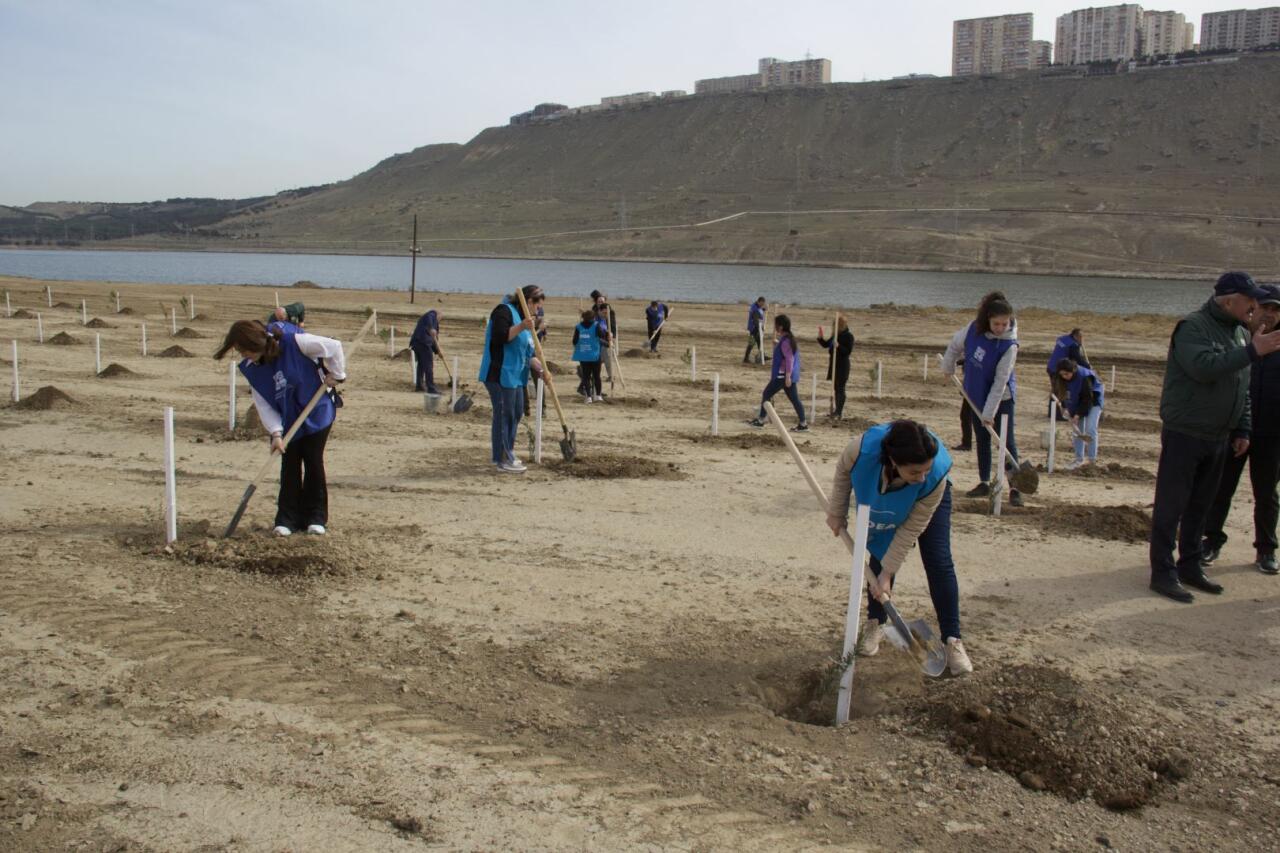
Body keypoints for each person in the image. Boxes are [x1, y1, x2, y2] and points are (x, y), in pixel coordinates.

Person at [1149, 272, 1280, 602]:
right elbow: (1203, 367)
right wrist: (1252, 351)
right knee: (1172, 506)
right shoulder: (1193, 327)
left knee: (1200, 506)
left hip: (1220, 436)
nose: (1255, 306)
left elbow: (1242, 388)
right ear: (1229, 300)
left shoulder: (1239, 332)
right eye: (1251, 300)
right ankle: (1162, 573)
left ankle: (1190, 566)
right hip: (1186, 433)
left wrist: (1242, 428)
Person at [825, 419, 972, 676]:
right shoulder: (861, 450)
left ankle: (952, 640)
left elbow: (911, 529)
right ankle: (875, 623)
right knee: (880, 551)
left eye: (925, 470)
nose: (921, 476)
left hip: (928, 502)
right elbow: (843, 471)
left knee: (938, 559)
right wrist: (837, 511)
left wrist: (888, 573)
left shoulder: (933, 477)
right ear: (893, 461)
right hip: (884, 490)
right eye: (915, 472)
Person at [214, 319, 345, 536]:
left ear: (257, 343)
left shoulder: (295, 342)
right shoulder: (251, 369)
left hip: (318, 410)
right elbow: (264, 404)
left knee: (312, 460)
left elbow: (334, 347)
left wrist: (337, 375)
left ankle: (316, 517)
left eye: (244, 350)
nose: (243, 355)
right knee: (289, 462)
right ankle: (286, 519)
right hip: (288, 421)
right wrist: (276, 433)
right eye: (239, 351)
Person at [1201, 284, 1280, 576]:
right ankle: (1211, 541)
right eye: (1265, 307)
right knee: (1221, 488)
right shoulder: (1234, 337)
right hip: (1234, 429)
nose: (1270, 314)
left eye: (1276, 310)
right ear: (1253, 307)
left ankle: (1266, 549)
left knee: (1266, 492)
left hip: (1272, 433)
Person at [942, 291, 1024, 507]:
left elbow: (1001, 381)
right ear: (988, 319)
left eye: (1004, 324)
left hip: (1002, 397)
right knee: (983, 439)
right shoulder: (973, 329)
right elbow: (954, 346)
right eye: (996, 323)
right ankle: (984, 482)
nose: (1000, 328)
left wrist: (989, 413)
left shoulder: (1010, 345)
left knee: (1006, 441)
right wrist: (947, 366)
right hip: (975, 393)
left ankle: (1015, 488)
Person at [479, 285, 544, 474]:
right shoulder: (504, 311)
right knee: (503, 413)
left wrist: (540, 367)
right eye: (537, 306)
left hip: (516, 376)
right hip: (498, 373)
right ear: (529, 301)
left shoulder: (526, 323)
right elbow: (499, 337)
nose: (538, 310)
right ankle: (502, 458)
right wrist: (522, 326)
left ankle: (509, 452)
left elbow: (528, 354)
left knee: (516, 412)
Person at [748, 314, 807, 431]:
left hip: (783, 376)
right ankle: (803, 424)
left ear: (780, 327)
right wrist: (777, 345)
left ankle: (761, 420)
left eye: (775, 325)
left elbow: (790, 359)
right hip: (786, 376)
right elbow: (785, 354)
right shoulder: (787, 339)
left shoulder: (786, 341)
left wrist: (788, 377)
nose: (774, 327)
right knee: (795, 400)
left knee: (766, 394)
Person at [1054, 358, 1104, 469]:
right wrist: (1066, 408)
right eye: (1062, 374)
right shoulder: (1063, 379)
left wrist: (1077, 415)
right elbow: (1066, 395)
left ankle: (1092, 461)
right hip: (1078, 400)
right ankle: (1078, 459)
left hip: (1093, 398)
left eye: (1066, 374)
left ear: (1072, 370)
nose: (1064, 377)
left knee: (1090, 428)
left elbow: (1087, 399)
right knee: (1077, 429)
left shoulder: (1084, 377)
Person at [816, 315, 854, 419]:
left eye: (835, 325)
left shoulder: (848, 336)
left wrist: (839, 346)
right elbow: (826, 345)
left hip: (843, 366)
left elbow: (848, 351)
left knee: (840, 388)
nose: (834, 327)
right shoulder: (835, 336)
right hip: (834, 365)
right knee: (835, 388)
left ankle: (838, 412)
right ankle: (836, 411)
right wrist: (820, 338)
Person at [1047, 328, 1090, 418]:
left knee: (1056, 390)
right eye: (1081, 338)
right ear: (1076, 336)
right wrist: (1088, 367)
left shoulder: (1063, 339)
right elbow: (1077, 360)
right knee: (1060, 391)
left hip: (1051, 367)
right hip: (1057, 370)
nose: (1082, 340)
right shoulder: (1073, 345)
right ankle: (1057, 415)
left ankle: (1053, 413)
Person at [573, 308, 604, 403]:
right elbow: (601, 336)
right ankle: (598, 396)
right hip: (594, 355)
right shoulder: (596, 325)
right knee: (596, 376)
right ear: (593, 318)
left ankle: (589, 397)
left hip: (583, 355)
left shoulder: (578, 327)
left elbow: (574, 341)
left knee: (586, 376)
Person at [410, 308, 441, 394]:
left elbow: (435, 339)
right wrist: (431, 328)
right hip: (423, 343)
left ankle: (419, 385)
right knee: (428, 366)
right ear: (438, 315)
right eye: (440, 318)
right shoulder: (431, 315)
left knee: (421, 366)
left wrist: (438, 351)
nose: (439, 321)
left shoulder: (435, 323)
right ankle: (431, 388)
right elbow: (429, 320)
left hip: (417, 343)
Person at [744, 297, 768, 363]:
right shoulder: (755, 309)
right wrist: (761, 329)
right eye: (762, 304)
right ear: (759, 301)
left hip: (757, 328)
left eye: (763, 304)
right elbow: (755, 320)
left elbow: (759, 311)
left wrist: (763, 309)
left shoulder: (756, 306)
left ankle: (763, 356)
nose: (762, 305)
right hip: (754, 329)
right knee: (751, 343)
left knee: (760, 343)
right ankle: (745, 358)